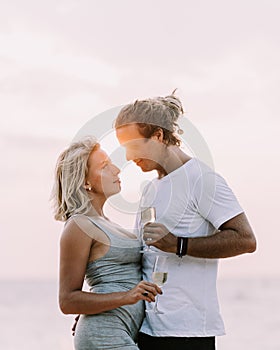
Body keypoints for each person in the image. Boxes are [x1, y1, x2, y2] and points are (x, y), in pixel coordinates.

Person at [115, 91, 257, 350]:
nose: (127, 157)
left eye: (132, 146)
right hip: (147, 329)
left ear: (158, 136)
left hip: (187, 333)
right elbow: (142, 258)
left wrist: (179, 244)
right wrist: (106, 308)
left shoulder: (202, 179)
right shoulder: (149, 189)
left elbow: (245, 239)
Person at [51, 136, 161, 350]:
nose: (117, 170)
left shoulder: (105, 223)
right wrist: (126, 297)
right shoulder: (79, 225)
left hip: (124, 331)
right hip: (103, 335)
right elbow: (67, 301)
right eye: (104, 166)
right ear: (85, 182)